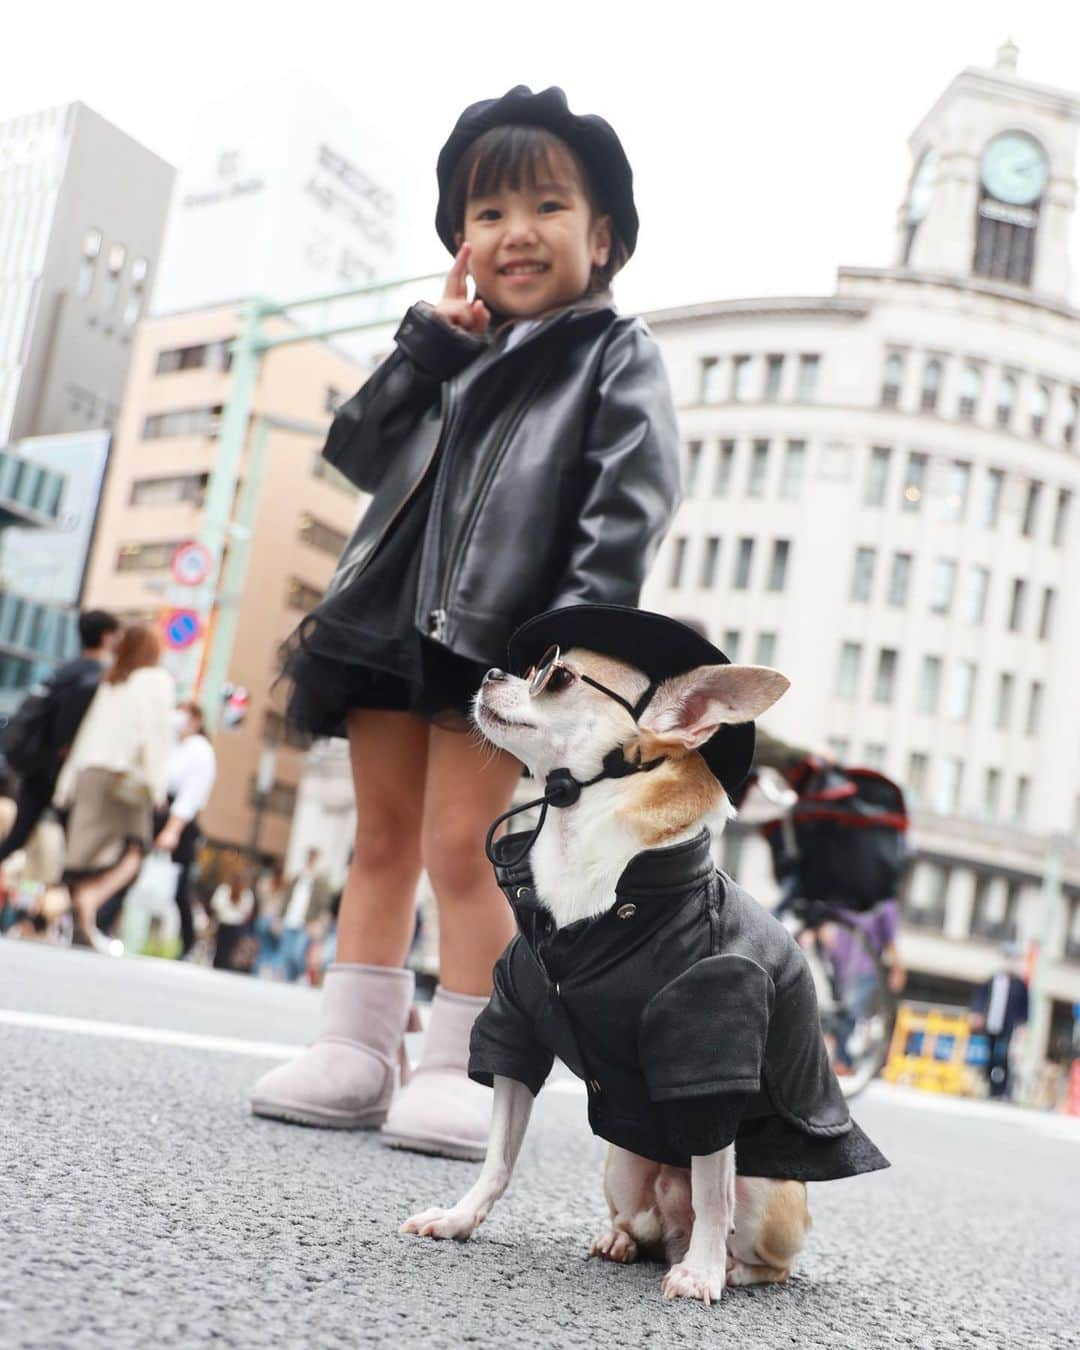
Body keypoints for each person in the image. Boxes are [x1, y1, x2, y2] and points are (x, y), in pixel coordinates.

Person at [250, 85, 680, 1158]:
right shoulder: (452, 348)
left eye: (545, 205)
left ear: (603, 235)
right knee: (381, 840)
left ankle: (457, 1066)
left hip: (502, 646)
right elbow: (352, 452)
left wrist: (573, 654)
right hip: (384, 619)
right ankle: (354, 1050)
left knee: (466, 850)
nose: (514, 233)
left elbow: (626, 509)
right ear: (458, 245)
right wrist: (423, 349)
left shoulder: (611, 353)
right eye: (486, 214)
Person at [54, 624, 174, 952]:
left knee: (86, 853)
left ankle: (83, 918)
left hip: (88, 773)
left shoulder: (113, 680)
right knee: (135, 851)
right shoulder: (156, 680)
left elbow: (85, 734)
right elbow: (155, 735)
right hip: (123, 776)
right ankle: (88, 902)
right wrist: (158, 786)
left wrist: (66, 784)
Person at [0, 609, 120, 866]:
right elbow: (68, 725)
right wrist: (65, 749)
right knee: (73, 842)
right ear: (106, 637)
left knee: (20, 836)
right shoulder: (91, 677)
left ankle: (83, 893)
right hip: (56, 768)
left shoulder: (67, 669)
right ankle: (86, 897)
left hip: (39, 763)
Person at [154, 700, 217, 958]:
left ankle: (189, 941)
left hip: (180, 821)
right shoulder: (175, 746)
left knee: (179, 888)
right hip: (162, 812)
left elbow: (190, 796)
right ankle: (102, 916)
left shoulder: (200, 749)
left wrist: (173, 828)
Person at [970, 945, 1029, 1100]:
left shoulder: (1019, 984)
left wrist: (1023, 1024)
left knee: (1002, 1056)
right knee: (990, 1056)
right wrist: (977, 1014)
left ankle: (1003, 1089)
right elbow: (980, 999)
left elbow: (1024, 1007)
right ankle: (992, 1088)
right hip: (991, 1024)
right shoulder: (993, 980)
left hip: (1008, 1026)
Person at [279, 847, 332, 983]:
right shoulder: (298, 877)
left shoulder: (319, 881)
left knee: (298, 953)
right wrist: (280, 916)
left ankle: (303, 977)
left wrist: (317, 922)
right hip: (290, 919)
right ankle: (289, 982)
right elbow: (286, 898)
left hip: (306, 922)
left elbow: (323, 903)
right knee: (287, 954)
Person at [210, 867, 256, 972]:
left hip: (232, 926)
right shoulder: (226, 890)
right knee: (223, 949)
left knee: (225, 950)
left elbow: (216, 906)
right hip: (228, 925)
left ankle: (223, 966)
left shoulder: (245, 893)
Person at [254, 861, 290, 977]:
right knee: (275, 949)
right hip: (274, 921)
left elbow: (259, 896)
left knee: (264, 948)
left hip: (263, 919)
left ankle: (261, 971)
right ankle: (272, 972)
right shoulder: (284, 886)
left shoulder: (267, 883)